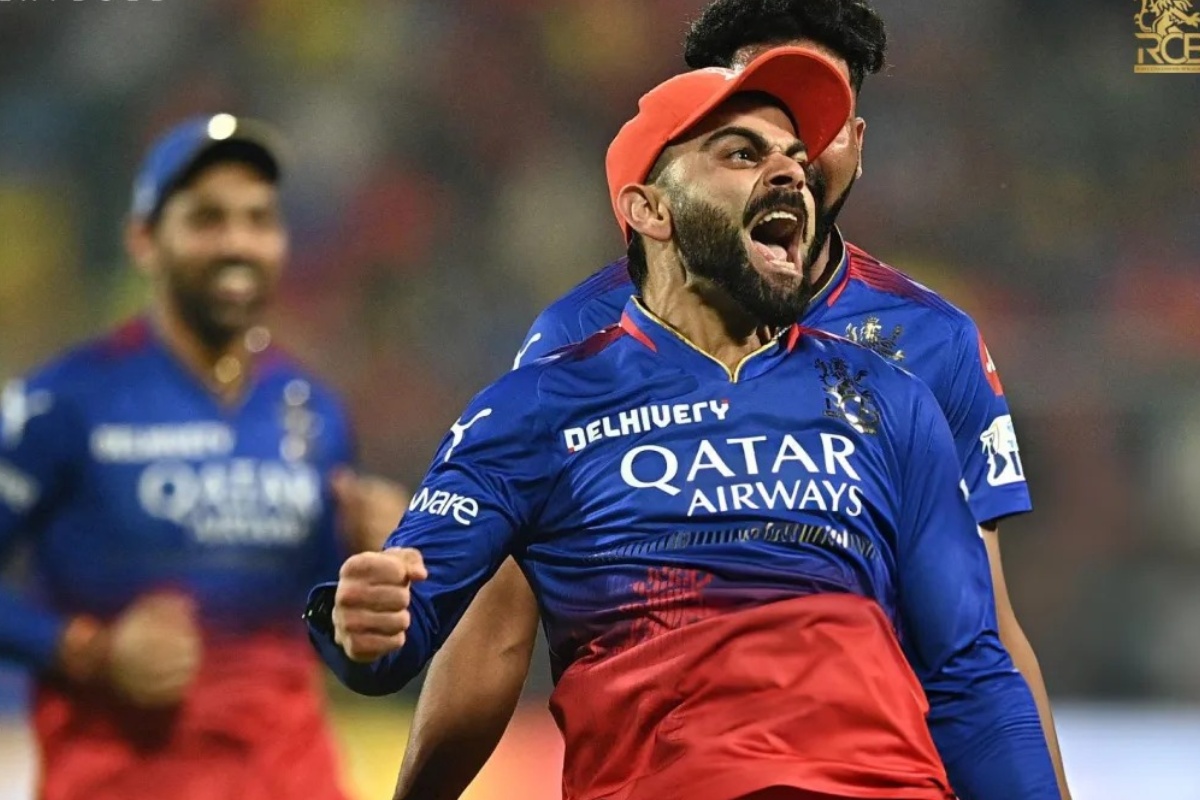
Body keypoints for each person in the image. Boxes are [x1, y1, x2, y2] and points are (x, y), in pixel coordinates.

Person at [309, 48, 1059, 800]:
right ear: (650, 210)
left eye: (797, 159)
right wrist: (361, 625)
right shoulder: (539, 405)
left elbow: (971, 677)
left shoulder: (888, 399)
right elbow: (403, 625)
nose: (791, 174)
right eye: (742, 153)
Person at [0, 114, 408, 800]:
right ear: (143, 240)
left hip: (291, 781)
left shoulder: (313, 410)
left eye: (258, 219)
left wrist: (371, 583)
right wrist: (90, 652)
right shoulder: (64, 403)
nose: (238, 242)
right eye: (207, 219)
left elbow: (343, 650)